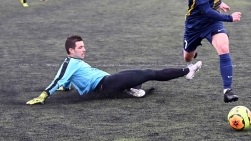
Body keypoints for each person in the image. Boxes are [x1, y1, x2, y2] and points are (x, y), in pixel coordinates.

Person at [26, 35, 202, 105]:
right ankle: (188, 71)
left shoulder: (75, 63)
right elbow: (58, 79)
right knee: (149, 73)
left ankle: (131, 88)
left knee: (140, 73)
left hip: (109, 80)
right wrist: (43, 96)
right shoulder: (68, 63)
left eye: (83, 46)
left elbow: (66, 81)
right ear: (71, 51)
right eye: (80, 47)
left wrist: (65, 87)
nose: (84, 49)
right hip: (106, 85)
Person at [182, 0, 242, 103]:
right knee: (187, 58)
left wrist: (220, 3)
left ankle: (227, 90)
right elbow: (206, 10)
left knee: (223, 48)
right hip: (194, 25)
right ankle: (193, 51)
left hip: (212, 23)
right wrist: (229, 18)